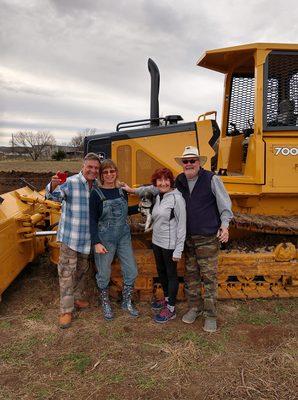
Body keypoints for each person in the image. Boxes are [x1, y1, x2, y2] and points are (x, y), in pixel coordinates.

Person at [174, 145, 233, 333]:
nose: (189, 164)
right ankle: (194, 308)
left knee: (209, 278)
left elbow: (225, 204)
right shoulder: (180, 180)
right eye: (186, 161)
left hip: (207, 237)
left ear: (199, 162)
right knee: (191, 276)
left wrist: (225, 225)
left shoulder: (211, 179)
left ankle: (211, 315)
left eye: (193, 160)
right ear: (182, 164)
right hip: (188, 239)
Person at [122, 168, 186, 323]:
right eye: (160, 180)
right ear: (156, 183)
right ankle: (166, 298)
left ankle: (171, 309)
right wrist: (130, 190)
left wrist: (179, 249)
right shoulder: (158, 195)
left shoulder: (177, 199)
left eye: (166, 180)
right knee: (161, 272)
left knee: (171, 274)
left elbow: (182, 225)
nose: (163, 183)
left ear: (171, 181)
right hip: (157, 242)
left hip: (170, 244)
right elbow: (146, 190)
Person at [46, 152, 101, 329]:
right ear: (83, 166)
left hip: (87, 239)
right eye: (90, 167)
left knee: (82, 271)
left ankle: (76, 299)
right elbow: (53, 197)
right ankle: (66, 310)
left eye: (96, 168)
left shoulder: (97, 186)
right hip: (71, 237)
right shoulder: (71, 182)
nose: (93, 170)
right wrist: (53, 185)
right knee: (66, 273)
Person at [89, 159, 138, 321]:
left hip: (123, 236)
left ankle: (126, 302)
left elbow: (123, 212)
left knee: (131, 270)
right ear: (101, 175)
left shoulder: (121, 190)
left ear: (116, 172)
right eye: (106, 172)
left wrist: (139, 207)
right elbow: (92, 219)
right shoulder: (96, 194)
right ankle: (105, 303)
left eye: (112, 171)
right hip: (105, 238)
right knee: (104, 273)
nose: (109, 175)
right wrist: (96, 242)